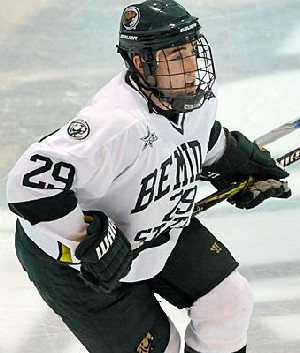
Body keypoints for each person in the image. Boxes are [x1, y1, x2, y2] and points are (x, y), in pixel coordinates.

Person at [6, 1, 291, 352]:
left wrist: (235, 160)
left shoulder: (192, 99)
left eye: (191, 50)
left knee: (228, 301)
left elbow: (198, 136)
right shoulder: (115, 122)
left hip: (158, 229)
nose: (190, 67)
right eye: (174, 56)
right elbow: (28, 187)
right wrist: (86, 237)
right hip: (75, 268)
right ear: (142, 63)